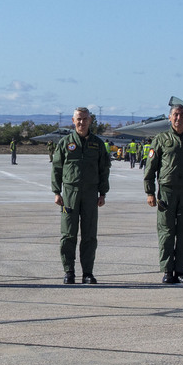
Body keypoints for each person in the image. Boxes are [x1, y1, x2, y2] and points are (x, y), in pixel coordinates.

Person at [143, 104, 183, 285]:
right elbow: (151, 168)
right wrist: (149, 192)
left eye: (181, 115)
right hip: (167, 192)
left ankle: (180, 271)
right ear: (170, 118)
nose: (178, 118)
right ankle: (167, 270)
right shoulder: (161, 139)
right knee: (166, 233)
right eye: (175, 115)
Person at [51, 107, 111, 284]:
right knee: (68, 234)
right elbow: (57, 168)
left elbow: (104, 170)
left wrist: (103, 193)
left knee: (89, 235)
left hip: (91, 194)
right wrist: (56, 191)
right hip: (69, 193)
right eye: (78, 119)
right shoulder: (65, 143)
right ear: (73, 120)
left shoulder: (97, 144)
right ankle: (69, 271)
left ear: (90, 120)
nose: (81, 122)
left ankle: (88, 273)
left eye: (85, 119)